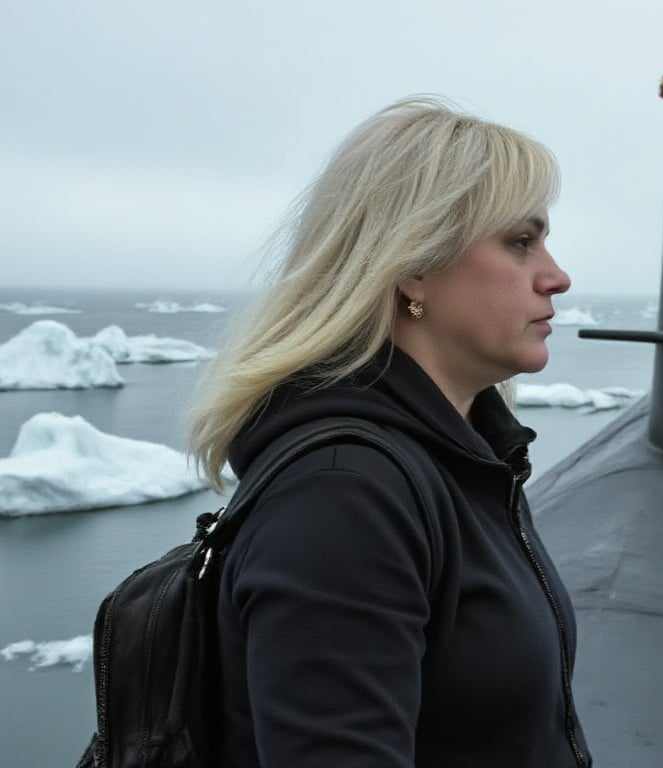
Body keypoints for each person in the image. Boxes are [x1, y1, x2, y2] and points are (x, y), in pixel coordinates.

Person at [188, 97, 592, 767]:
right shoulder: (344, 496)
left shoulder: (465, 460)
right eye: (521, 241)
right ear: (413, 268)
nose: (557, 275)